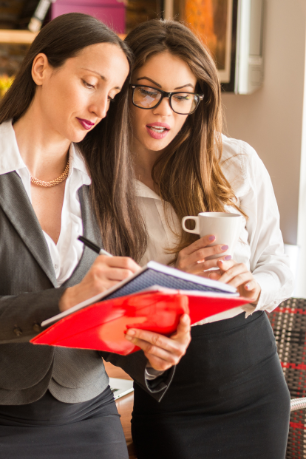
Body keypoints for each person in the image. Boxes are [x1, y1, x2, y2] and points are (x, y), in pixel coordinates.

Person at [0, 13, 192, 458]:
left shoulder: (106, 183)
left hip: (89, 415)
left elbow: (110, 322)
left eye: (114, 93)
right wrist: (68, 298)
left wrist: (154, 354)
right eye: (90, 82)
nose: (102, 107)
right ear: (42, 68)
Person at [124, 20, 292, 458]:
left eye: (182, 96)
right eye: (148, 91)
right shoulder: (99, 180)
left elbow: (276, 261)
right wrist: (173, 277)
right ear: (122, 89)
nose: (165, 112)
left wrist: (256, 287)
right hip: (168, 382)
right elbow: (101, 294)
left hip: (252, 375)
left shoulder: (235, 161)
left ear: (198, 100)